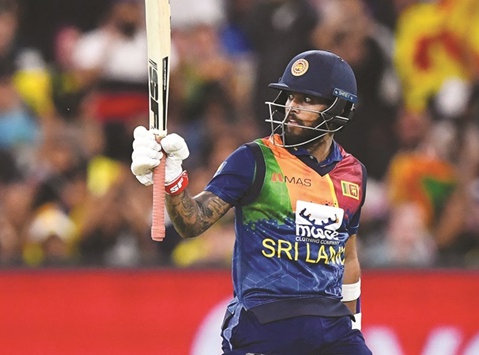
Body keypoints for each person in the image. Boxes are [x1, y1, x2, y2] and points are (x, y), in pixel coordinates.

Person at [131, 50, 371, 354]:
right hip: (263, 324)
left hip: (333, 329)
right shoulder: (255, 159)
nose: (291, 108)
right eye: (290, 97)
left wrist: (354, 324)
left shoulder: (353, 174)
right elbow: (193, 222)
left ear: (339, 108)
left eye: (307, 100)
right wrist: (172, 183)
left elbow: (348, 258)